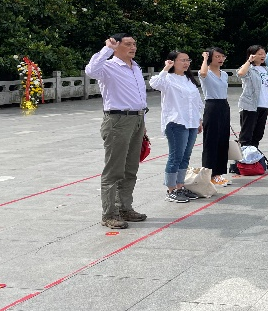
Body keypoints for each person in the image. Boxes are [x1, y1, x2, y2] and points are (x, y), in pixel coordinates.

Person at [84, 33, 149, 229]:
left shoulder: (135, 67)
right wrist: (107, 49)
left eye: (134, 44)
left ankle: (125, 208)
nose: (133, 47)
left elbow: (139, 97)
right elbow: (90, 71)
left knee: (130, 168)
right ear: (116, 46)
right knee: (114, 170)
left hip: (137, 119)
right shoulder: (108, 66)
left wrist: (142, 122)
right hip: (118, 120)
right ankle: (109, 214)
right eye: (128, 44)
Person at [149, 51, 204, 204]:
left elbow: (196, 102)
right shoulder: (167, 78)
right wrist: (166, 68)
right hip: (176, 122)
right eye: (182, 60)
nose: (186, 63)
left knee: (185, 157)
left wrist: (199, 120)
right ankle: (171, 189)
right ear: (173, 61)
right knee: (175, 157)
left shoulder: (188, 79)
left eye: (188, 60)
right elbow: (154, 83)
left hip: (191, 122)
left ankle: (180, 186)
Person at [199, 47, 232, 187]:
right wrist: (205, 59)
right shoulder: (206, 72)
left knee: (223, 140)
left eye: (222, 56)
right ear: (210, 58)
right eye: (217, 56)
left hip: (224, 105)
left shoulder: (224, 74)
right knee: (211, 140)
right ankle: (209, 173)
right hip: (212, 105)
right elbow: (202, 73)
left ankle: (219, 173)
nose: (221, 59)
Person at [237, 45, 268, 148]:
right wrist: (249, 61)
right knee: (247, 135)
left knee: (258, 134)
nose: (263, 56)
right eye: (260, 54)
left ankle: (254, 155)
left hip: (264, 105)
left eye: (264, 54)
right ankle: (244, 155)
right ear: (252, 55)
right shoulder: (249, 68)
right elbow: (240, 74)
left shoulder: (265, 69)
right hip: (250, 106)